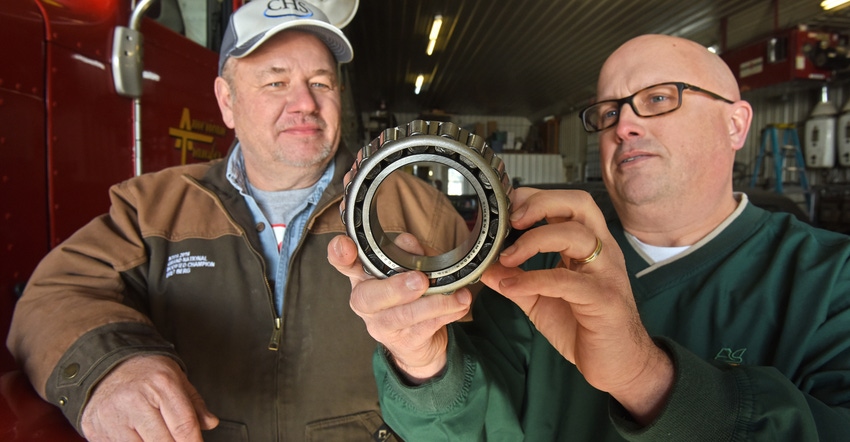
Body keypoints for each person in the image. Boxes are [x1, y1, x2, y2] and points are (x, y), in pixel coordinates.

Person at [328, 34, 850, 440]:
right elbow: (468, 430)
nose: (623, 125)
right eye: (608, 111)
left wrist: (648, 379)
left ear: (737, 124)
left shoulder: (832, 281)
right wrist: (424, 367)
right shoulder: (538, 260)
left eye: (660, 97)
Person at [7, 1, 468, 441]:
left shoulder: (416, 210)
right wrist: (107, 368)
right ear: (226, 101)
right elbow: (53, 296)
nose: (304, 102)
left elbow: (493, 357)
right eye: (275, 83)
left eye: (321, 83)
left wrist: (426, 362)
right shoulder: (151, 207)